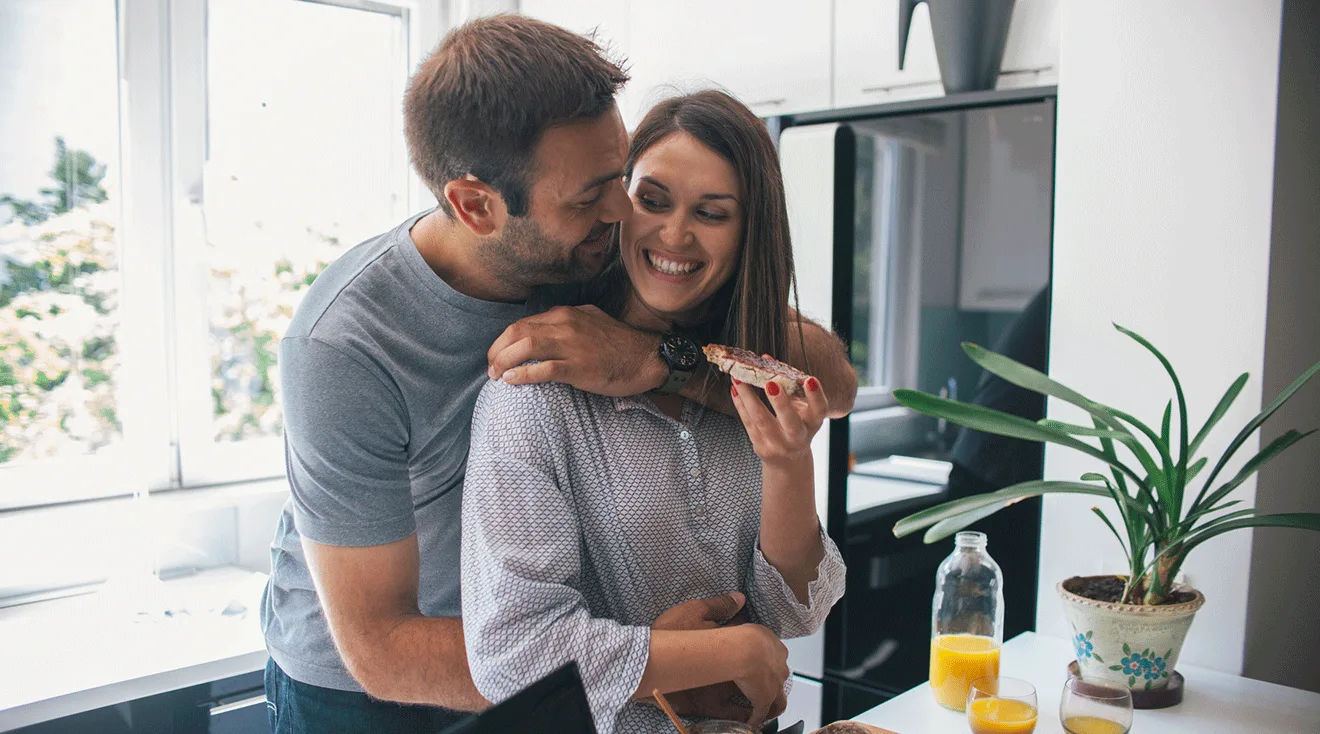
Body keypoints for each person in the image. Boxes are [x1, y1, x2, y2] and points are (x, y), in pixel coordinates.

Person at [260, 15, 858, 734]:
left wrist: (660, 363)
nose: (624, 212)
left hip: (562, 655)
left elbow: (823, 380)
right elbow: (383, 647)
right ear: (477, 206)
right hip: (367, 690)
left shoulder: (596, 243)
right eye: (591, 196)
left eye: (620, 179)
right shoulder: (343, 347)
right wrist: (663, 664)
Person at [461, 90, 848, 734]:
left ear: (749, 230)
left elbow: (793, 613)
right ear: (619, 201)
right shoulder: (536, 393)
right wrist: (726, 651)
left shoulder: (739, 379)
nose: (674, 235)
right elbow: (512, 653)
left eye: (712, 212)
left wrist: (787, 467)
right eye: (654, 200)